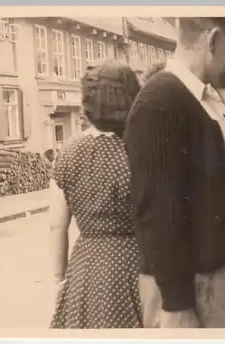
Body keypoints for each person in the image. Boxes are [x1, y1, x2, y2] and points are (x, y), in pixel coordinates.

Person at [123, 17, 225, 328]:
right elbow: (156, 212)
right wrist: (176, 305)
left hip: (220, 272)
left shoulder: (204, 98)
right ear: (212, 41)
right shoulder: (160, 103)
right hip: (197, 286)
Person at [49, 59, 143, 329]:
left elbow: (57, 226)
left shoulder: (68, 152)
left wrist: (59, 279)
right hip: (136, 263)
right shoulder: (141, 148)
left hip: (85, 269)